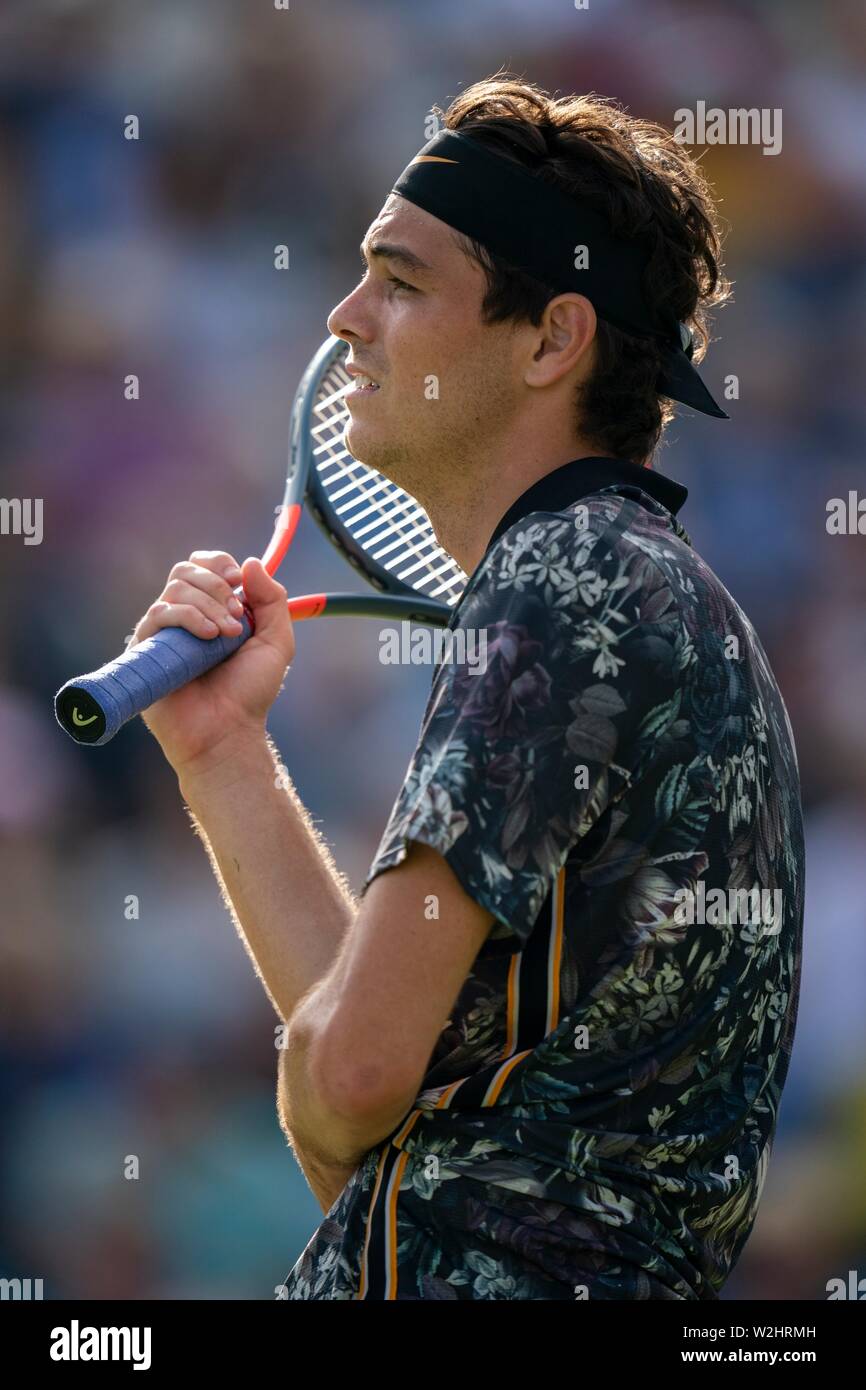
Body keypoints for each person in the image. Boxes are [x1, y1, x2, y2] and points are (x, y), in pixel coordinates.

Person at [129, 76, 804, 1300]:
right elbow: (406, 1116)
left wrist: (316, 1081)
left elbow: (353, 1085)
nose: (344, 317)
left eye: (399, 279)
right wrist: (224, 757)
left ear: (551, 337)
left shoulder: (566, 573)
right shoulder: (632, 582)